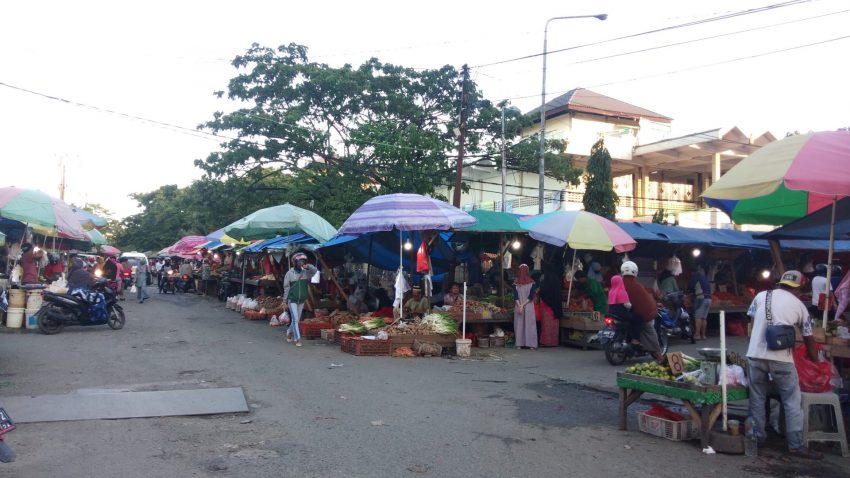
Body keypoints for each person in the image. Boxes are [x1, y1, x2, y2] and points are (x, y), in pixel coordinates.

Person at [746, 270, 822, 460]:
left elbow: (752, 322)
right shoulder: (799, 306)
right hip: (782, 360)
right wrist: (815, 360)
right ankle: (795, 445)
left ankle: (757, 438)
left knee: (757, 397)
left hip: (755, 355)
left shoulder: (761, 296)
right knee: (791, 400)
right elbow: (808, 338)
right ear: (799, 288)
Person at [621, 261, 664, 362]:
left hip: (619, 313)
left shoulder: (620, 284)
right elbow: (644, 303)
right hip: (638, 315)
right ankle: (659, 355)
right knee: (649, 330)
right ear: (635, 272)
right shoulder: (636, 285)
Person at [283, 252, 317, 347]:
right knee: (295, 319)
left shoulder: (306, 273)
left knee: (296, 320)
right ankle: (297, 338)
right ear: (294, 262)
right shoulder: (289, 273)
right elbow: (286, 288)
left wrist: (308, 266)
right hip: (292, 299)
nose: (301, 263)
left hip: (301, 300)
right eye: (300, 261)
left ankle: (289, 332)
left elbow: (314, 270)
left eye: (303, 261)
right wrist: (284, 301)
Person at [608, 274, 641, 346]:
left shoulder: (611, 291)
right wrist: (632, 306)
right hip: (620, 313)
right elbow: (627, 305)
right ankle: (635, 339)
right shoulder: (622, 291)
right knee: (637, 319)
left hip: (611, 312)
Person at [513, 264, 538, 349]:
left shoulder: (516, 282)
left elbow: (515, 296)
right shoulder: (532, 283)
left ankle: (519, 344)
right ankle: (531, 345)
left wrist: (520, 306)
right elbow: (531, 297)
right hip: (529, 306)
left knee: (519, 324)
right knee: (529, 324)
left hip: (518, 305)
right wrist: (523, 305)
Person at [687, 264, 712, 340]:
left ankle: (697, 335)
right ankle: (703, 335)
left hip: (701, 298)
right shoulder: (704, 277)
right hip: (709, 299)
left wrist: (688, 293)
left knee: (698, 317)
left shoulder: (694, 277)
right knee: (704, 318)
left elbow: (690, 288)